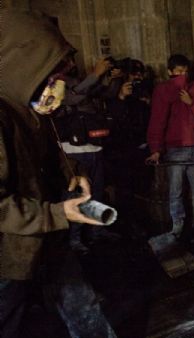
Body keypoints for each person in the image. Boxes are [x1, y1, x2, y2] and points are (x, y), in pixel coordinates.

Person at [0, 9, 164, 338]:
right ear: (23, 63)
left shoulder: (31, 108)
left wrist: (72, 176)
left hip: (48, 238)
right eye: (54, 76)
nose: (59, 86)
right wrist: (58, 214)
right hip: (8, 254)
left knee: (82, 305)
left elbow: (48, 153)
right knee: (5, 334)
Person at [55, 56, 120, 254]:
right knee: (77, 196)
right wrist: (95, 75)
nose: (73, 65)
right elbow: (72, 98)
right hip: (74, 152)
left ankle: (96, 232)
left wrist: (114, 79)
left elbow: (107, 94)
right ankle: (75, 239)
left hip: (94, 147)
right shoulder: (54, 84)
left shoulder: (82, 82)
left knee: (97, 193)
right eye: (68, 61)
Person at [146, 54, 194, 238]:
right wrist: (156, 149)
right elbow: (157, 121)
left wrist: (191, 102)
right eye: (178, 72)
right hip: (175, 149)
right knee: (175, 190)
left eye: (185, 71)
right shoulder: (163, 90)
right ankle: (177, 225)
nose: (183, 75)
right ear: (169, 72)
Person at [106, 58, 151, 232]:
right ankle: (125, 223)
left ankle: (138, 220)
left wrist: (147, 102)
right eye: (134, 73)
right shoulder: (113, 93)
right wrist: (121, 98)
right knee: (125, 188)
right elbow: (114, 121)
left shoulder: (142, 92)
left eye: (140, 73)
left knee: (141, 186)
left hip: (140, 146)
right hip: (121, 150)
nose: (137, 77)